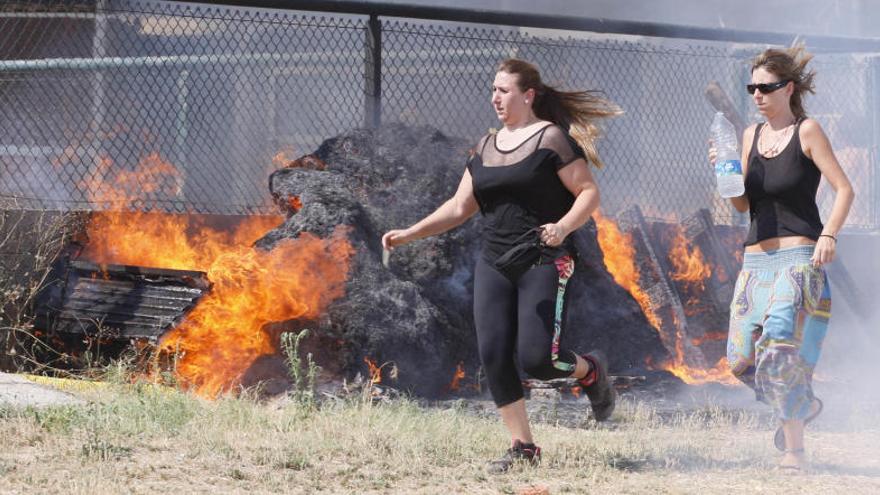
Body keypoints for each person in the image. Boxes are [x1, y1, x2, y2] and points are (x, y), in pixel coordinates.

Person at [382, 59, 620, 473]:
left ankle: (591, 369)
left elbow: (588, 193)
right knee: (492, 354)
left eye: (504, 90)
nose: (495, 97)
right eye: (492, 90)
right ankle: (522, 445)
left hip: (543, 259)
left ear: (528, 95)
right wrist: (409, 233)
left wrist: (562, 228)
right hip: (494, 261)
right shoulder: (486, 147)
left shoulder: (552, 140)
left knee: (537, 360)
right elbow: (459, 207)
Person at [710, 46, 855, 471]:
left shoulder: (808, 131)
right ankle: (802, 402)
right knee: (740, 361)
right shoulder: (750, 136)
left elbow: (844, 189)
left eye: (766, 87)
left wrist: (829, 233)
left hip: (798, 258)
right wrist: (724, 169)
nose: (756, 94)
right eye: (751, 87)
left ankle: (795, 451)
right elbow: (741, 206)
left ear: (788, 88)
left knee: (777, 349)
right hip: (755, 262)